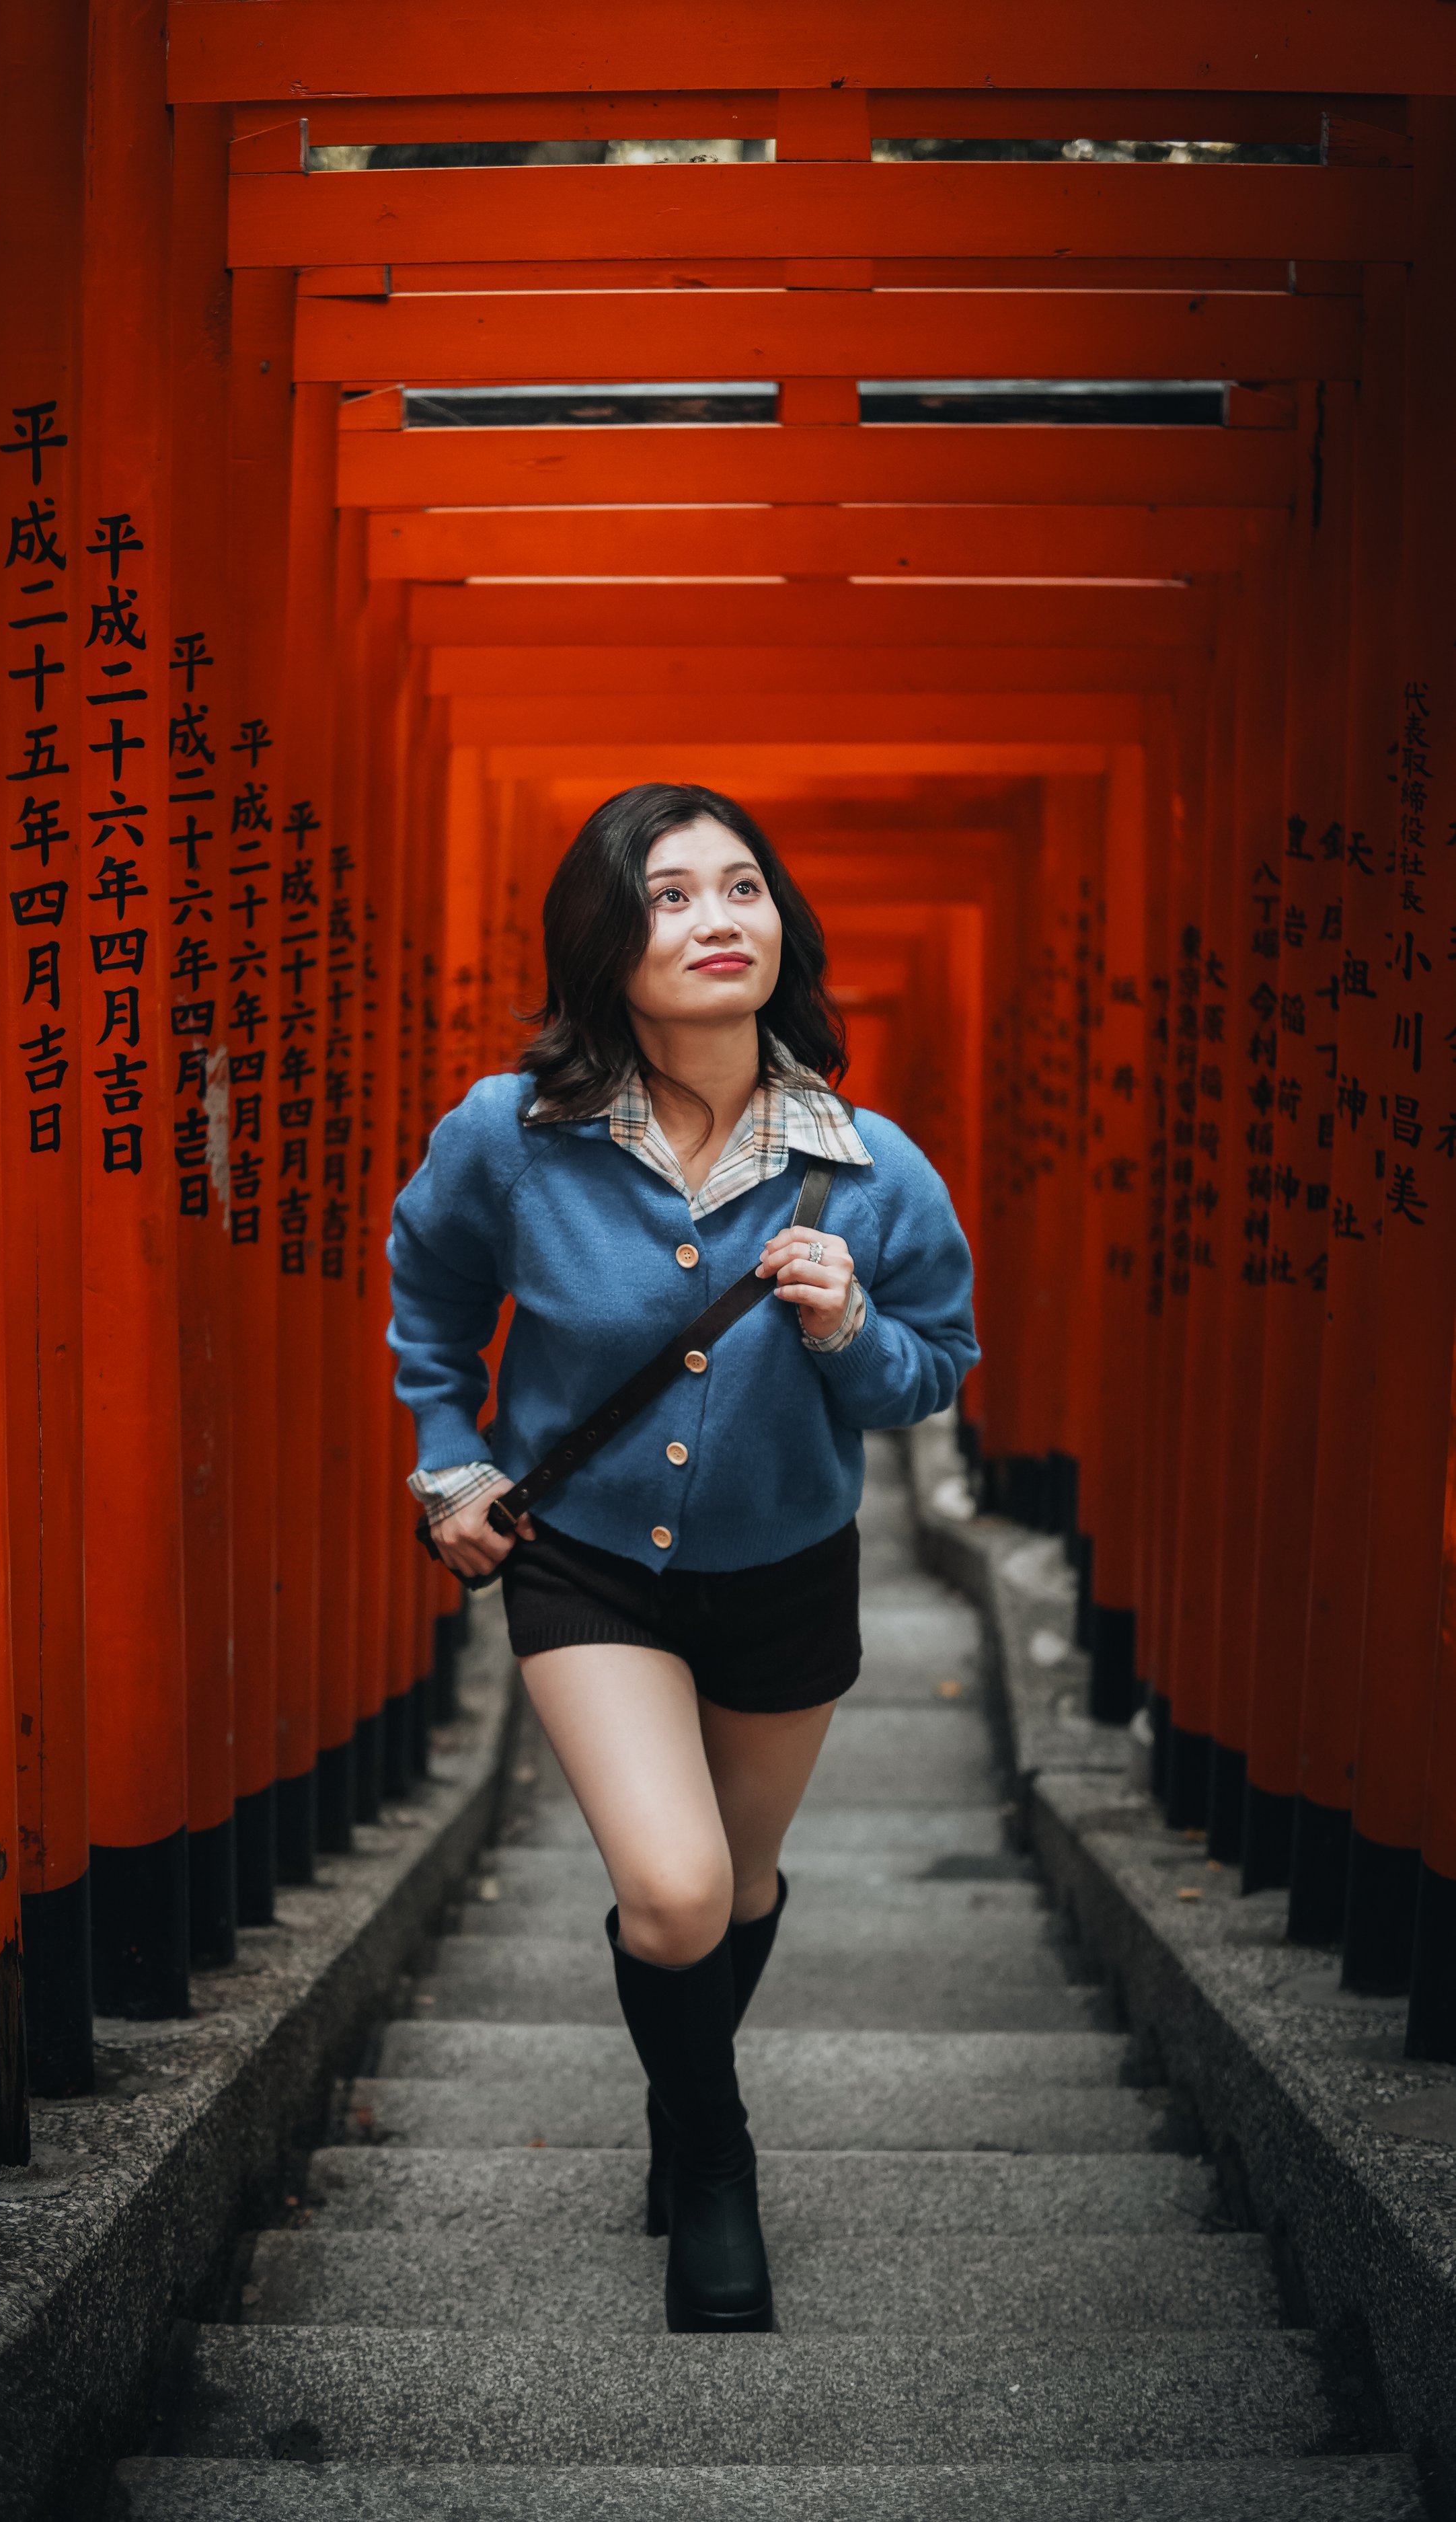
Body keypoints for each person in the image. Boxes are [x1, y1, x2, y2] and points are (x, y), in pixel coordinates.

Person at [387, 781, 979, 2332]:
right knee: (672, 1891)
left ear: (782, 925)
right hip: (588, 1564)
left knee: (743, 1879)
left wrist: (850, 1325)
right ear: (604, 940)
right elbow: (431, 1294)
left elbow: (936, 1373)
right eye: (668, 895)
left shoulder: (876, 1170)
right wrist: (451, 1456)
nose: (717, 919)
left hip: (786, 1566)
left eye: (741, 888)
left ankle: (677, 2093)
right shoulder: (508, 1138)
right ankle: (713, 2163)